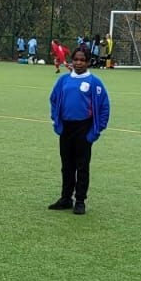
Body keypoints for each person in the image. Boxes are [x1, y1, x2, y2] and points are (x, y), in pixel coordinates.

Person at [47, 45, 110, 216]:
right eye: (76, 59)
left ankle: (80, 200)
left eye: (82, 60)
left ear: (89, 62)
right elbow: (53, 100)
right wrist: (56, 120)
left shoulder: (94, 82)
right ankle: (66, 198)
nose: (78, 63)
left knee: (82, 166)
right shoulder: (63, 81)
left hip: (84, 128)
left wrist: (96, 131)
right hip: (66, 128)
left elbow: (104, 107)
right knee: (67, 166)